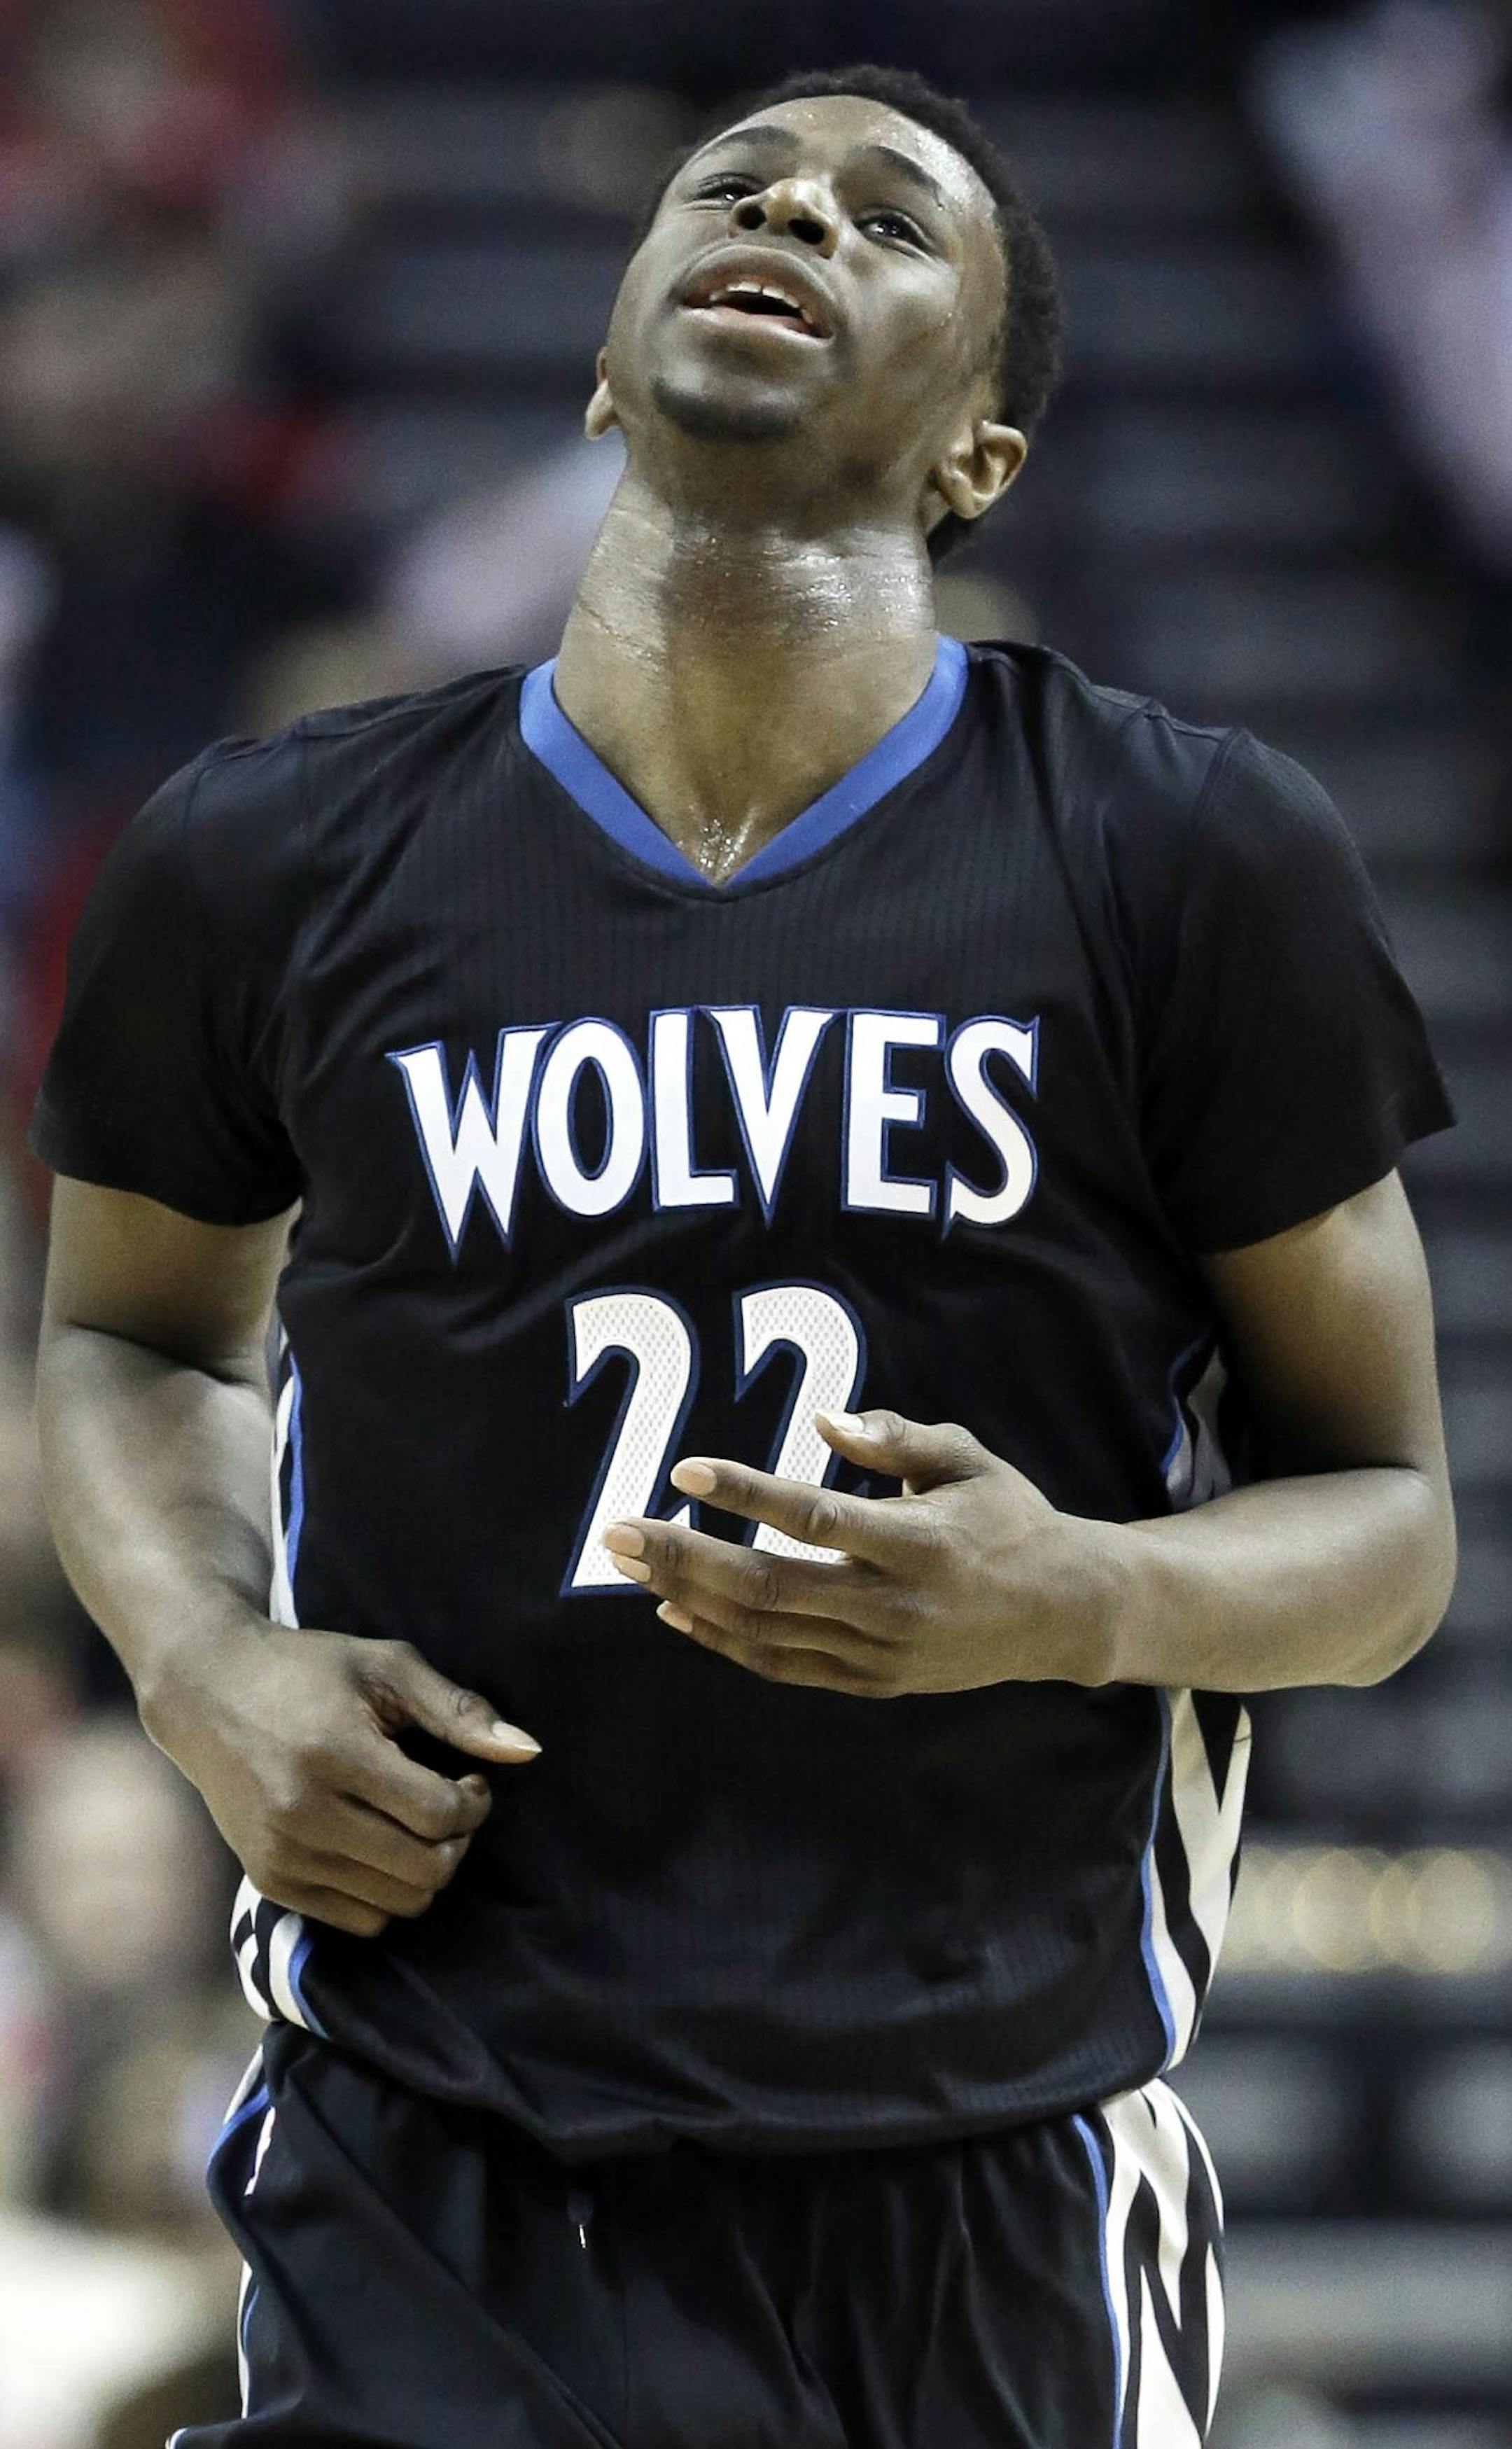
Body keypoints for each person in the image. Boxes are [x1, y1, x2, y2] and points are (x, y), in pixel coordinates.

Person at [29, 61, 1456, 2449]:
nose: (793, 205)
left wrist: (1077, 1592)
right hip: (430, 2134)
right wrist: (195, 1664)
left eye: (892, 218)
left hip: (978, 2164)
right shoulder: (272, 849)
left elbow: (1390, 1527)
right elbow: (119, 1333)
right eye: (739, 183)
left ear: (978, 454)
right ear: (608, 358)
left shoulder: (1188, 852)